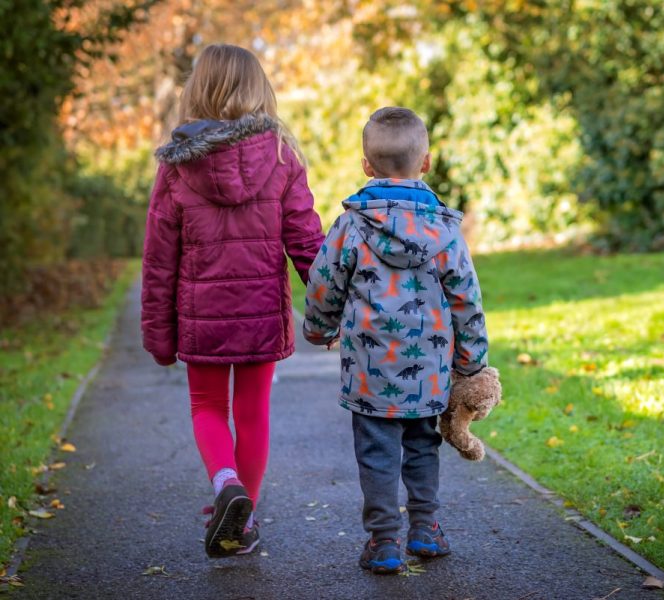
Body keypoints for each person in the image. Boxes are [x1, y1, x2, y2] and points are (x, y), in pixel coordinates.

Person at [141, 44, 324, 558]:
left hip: (202, 318)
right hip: (261, 313)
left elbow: (159, 259)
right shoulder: (282, 156)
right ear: (258, 90)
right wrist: (329, 309)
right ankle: (244, 519)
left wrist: (158, 335)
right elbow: (307, 242)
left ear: (196, 90)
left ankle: (227, 484)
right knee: (252, 411)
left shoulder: (177, 166)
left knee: (207, 406)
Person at [303, 107, 489, 574]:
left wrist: (319, 329)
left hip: (369, 372)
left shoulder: (350, 226)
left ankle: (384, 540)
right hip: (428, 372)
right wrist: (471, 361)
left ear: (367, 166)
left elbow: (324, 284)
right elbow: (466, 297)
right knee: (424, 446)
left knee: (376, 454)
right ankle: (425, 528)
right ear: (425, 162)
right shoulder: (445, 230)